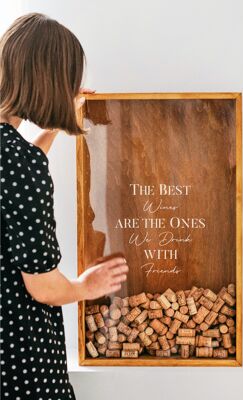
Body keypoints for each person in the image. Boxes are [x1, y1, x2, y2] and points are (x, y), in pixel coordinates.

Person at [0, 13, 128, 399]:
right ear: (50, 81)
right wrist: (86, 286)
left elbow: (16, 180)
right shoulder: (19, 164)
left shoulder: (14, 156)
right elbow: (43, 288)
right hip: (22, 364)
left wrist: (54, 126)